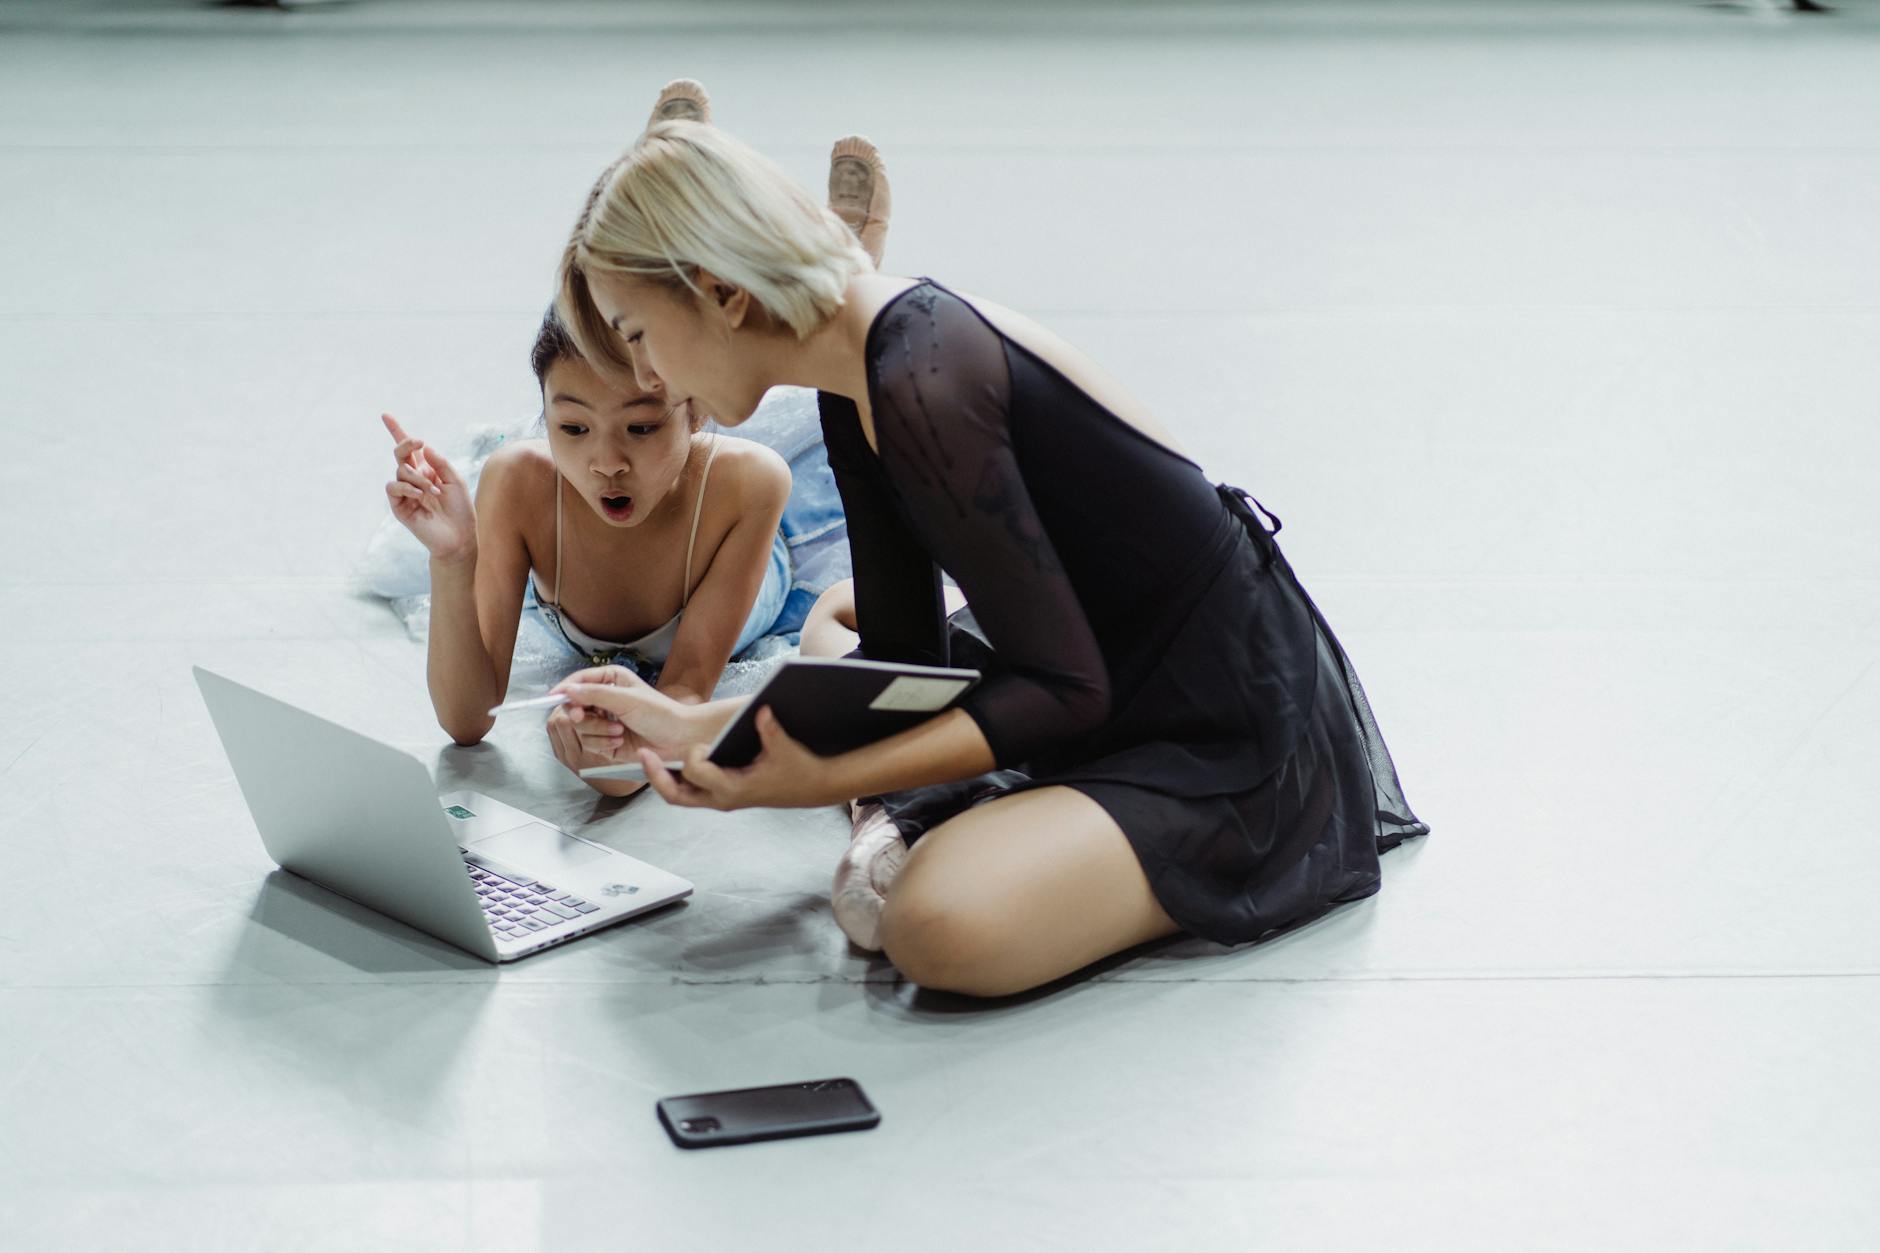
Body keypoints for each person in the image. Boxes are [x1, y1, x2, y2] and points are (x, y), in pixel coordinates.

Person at [547, 121, 1427, 997]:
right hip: (1093, 666)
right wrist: (697, 725)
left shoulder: (924, 376)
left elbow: (1065, 692)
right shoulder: (852, 370)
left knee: (934, 928)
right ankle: (929, 823)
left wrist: (820, 780)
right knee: (832, 646)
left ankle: (927, 826)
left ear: (721, 294)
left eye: (637, 334)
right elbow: (909, 662)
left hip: (1219, 726)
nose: (648, 376)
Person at [380, 82, 892, 797]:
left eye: (643, 427)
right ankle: (656, 215)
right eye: (570, 426)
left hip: (739, 528)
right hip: (646, 429)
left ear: (693, 412)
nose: (607, 462)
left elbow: (682, 692)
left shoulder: (751, 483)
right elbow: (467, 719)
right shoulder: (521, 481)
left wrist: (611, 764)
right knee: (601, 350)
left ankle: (845, 260)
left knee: (822, 390)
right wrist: (455, 557)